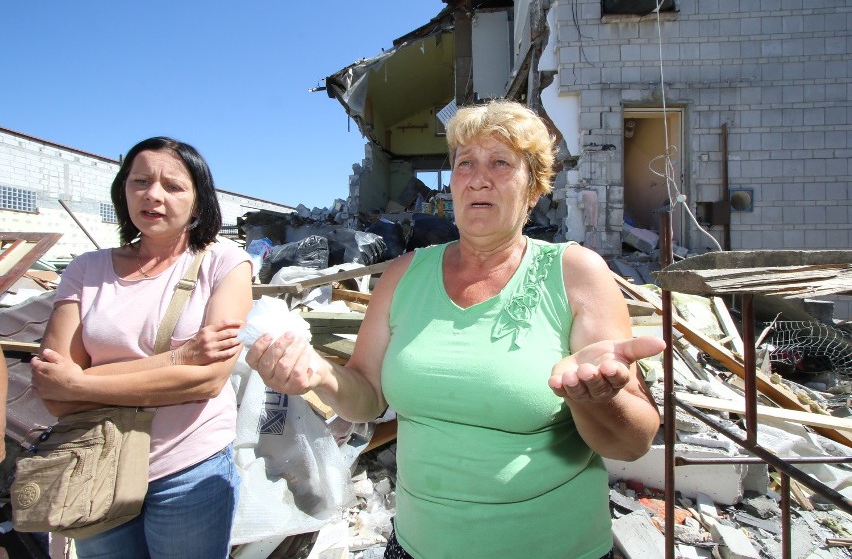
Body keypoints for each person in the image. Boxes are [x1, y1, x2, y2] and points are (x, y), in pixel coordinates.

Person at [245, 100, 666, 558]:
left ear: (534, 188)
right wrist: (321, 376)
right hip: (419, 546)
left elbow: (633, 441)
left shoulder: (574, 272)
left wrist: (601, 398)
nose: (478, 177)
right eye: (465, 163)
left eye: (501, 163)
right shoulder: (403, 276)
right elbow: (367, 393)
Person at [30, 137, 253, 559]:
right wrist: (178, 360)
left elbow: (207, 380)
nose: (153, 194)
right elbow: (55, 395)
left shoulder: (224, 262)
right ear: (123, 191)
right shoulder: (85, 270)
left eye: (173, 186)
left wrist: (80, 383)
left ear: (199, 201)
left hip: (187, 467)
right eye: (141, 181)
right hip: (94, 462)